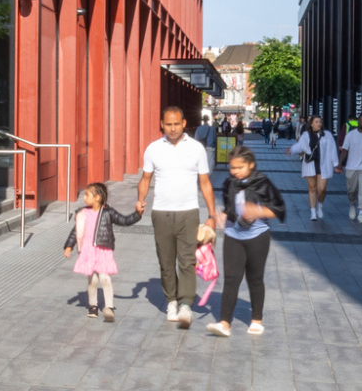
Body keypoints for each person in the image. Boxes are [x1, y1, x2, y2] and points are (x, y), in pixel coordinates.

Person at [136, 105, 218, 328]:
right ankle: (171, 300)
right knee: (165, 261)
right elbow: (145, 178)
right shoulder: (153, 149)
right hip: (161, 213)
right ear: (162, 124)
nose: (172, 128)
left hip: (189, 213)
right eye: (168, 124)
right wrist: (140, 199)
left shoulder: (196, 149)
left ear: (184, 124)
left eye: (176, 124)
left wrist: (211, 215)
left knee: (187, 261)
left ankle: (186, 304)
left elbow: (205, 183)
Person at [206, 145, 284, 337]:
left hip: (257, 237)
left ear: (250, 165)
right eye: (232, 167)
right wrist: (223, 215)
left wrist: (257, 211)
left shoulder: (262, 183)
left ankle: (256, 319)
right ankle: (224, 323)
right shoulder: (229, 183)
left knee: (255, 278)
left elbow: (278, 209)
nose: (235, 171)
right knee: (231, 279)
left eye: (239, 167)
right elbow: (230, 207)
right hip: (233, 236)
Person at [62, 181, 142, 322]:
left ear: (97, 198)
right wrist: (69, 246)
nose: (84, 197)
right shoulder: (83, 213)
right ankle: (93, 305)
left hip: (103, 251)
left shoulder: (108, 212)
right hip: (88, 252)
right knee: (92, 280)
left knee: (105, 279)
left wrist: (137, 214)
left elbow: (124, 220)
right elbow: (76, 231)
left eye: (87, 194)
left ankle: (109, 307)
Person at [290, 116, 338, 220]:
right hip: (310, 164)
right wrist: (291, 149)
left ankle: (320, 205)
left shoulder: (327, 135)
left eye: (320, 121)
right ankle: (313, 212)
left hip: (323, 165)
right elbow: (300, 145)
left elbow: (332, 149)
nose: (319, 123)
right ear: (311, 124)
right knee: (312, 188)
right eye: (316, 122)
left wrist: (336, 164)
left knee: (322, 189)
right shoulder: (306, 135)